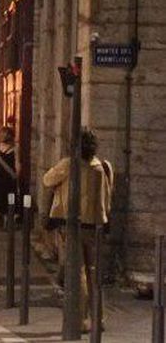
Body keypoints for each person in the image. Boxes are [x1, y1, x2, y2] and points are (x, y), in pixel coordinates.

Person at [42, 129, 113, 333]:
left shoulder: (69, 165)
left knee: (77, 272)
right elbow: (106, 197)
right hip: (96, 225)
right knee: (93, 272)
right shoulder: (100, 166)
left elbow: (47, 180)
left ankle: (80, 319)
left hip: (73, 225)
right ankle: (98, 318)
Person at [0, 126, 17, 228]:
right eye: (0, 133)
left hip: (8, 178)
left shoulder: (14, 149)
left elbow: (13, 170)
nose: (0, 135)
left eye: (3, 133)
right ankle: (0, 219)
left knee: (8, 198)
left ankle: (8, 220)